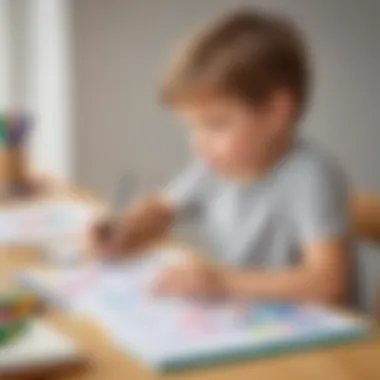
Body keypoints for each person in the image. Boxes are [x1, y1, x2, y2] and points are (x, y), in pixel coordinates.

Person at [90, 9, 350, 304]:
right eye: (192, 126)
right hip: (242, 318)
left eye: (215, 124)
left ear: (277, 111)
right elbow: (162, 209)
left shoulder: (311, 176)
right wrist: (125, 229)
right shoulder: (216, 165)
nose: (198, 143)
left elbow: (328, 282)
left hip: (315, 337)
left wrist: (222, 280)